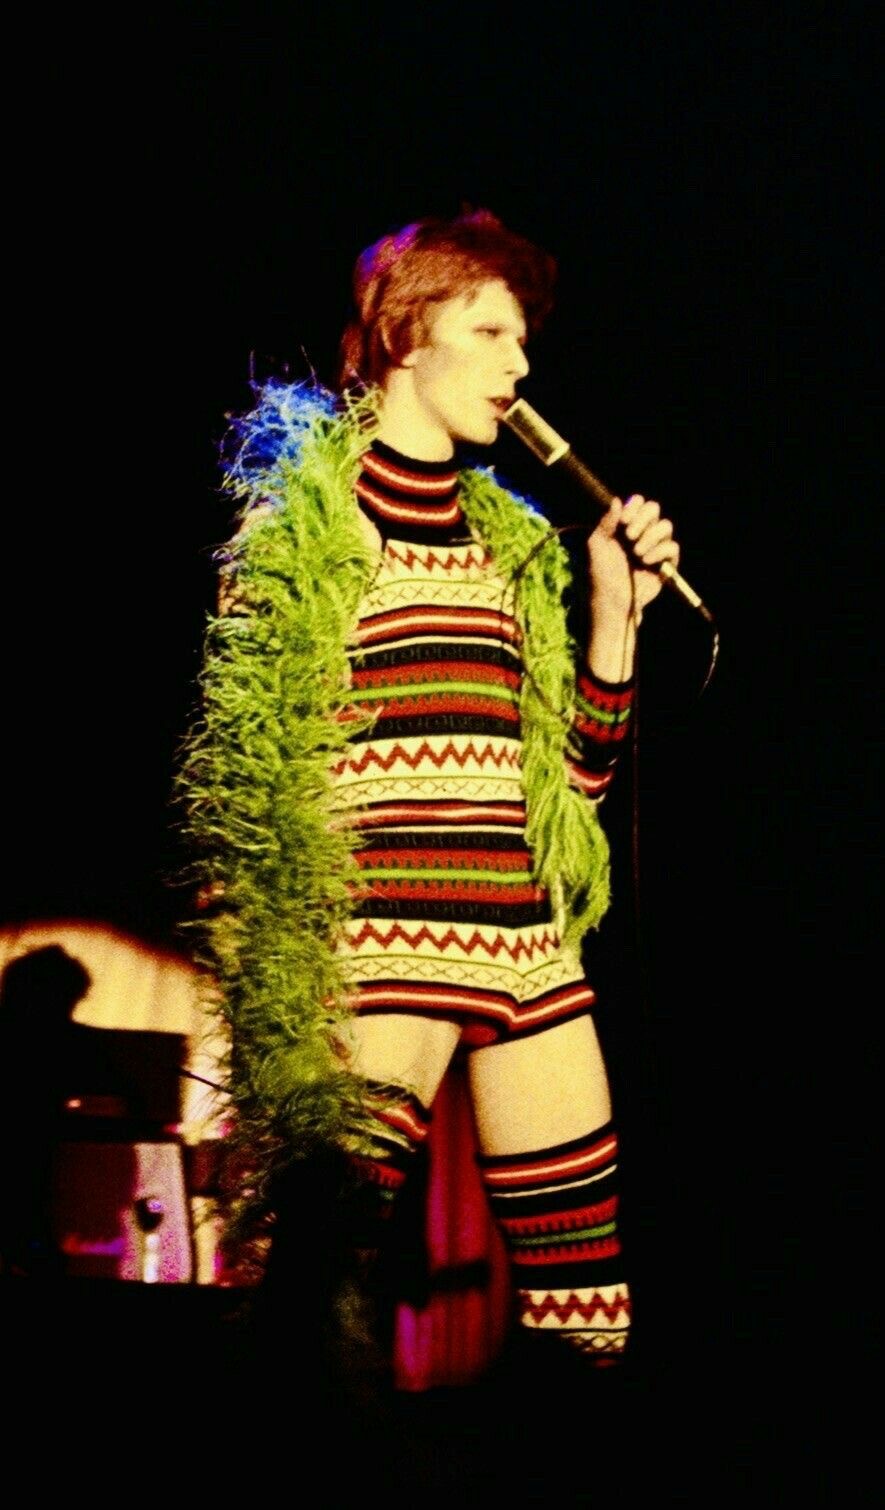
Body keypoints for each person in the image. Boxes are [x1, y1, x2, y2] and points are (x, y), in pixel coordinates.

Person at [177, 208, 680, 1393]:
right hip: (384, 935)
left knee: (589, 1312)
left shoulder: (511, 541)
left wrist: (611, 617)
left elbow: (569, 801)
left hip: (527, 946)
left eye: (523, 338)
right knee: (319, 1281)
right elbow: (256, 776)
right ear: (410, 330)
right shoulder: (305, 515)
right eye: (492, 329)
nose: (520, 365)